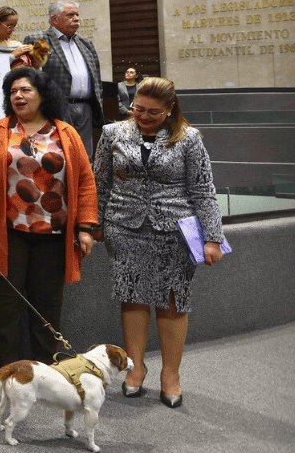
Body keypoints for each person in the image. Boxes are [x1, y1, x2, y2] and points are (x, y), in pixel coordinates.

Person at [93, 76, 224, 409]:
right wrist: (95, 224)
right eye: (138, 108)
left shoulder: (189, 138)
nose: (143, 116)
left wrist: (212, 238)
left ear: (169, 109)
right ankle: (136, 369)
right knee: (132, 297)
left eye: (152, 112)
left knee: (172, 301)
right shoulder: (112, 134)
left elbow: (203, 190)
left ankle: (171, 375)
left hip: (174, 231)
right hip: (124, 228)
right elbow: (100, 183)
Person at [0, 67, 98, 366]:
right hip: (7, 231)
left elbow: (85, 181)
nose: (18, 96)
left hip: (53, 235)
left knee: (47, 306)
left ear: (42, 95)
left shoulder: (66, 133)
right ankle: (10, 370)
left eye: (25, 90)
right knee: (5, 305)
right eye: (13, 92)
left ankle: (48, 368)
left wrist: (86, 227)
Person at [23, 0, 103, 158]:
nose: (76, 18)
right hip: (56, 107)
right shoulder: (40, 40)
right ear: (54, 20)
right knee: (59, 155)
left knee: (85, 157)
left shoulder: (86, 44)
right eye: (70, 15)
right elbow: (31, 78)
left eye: (77, 15)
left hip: (85, 108)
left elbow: (97, 80)